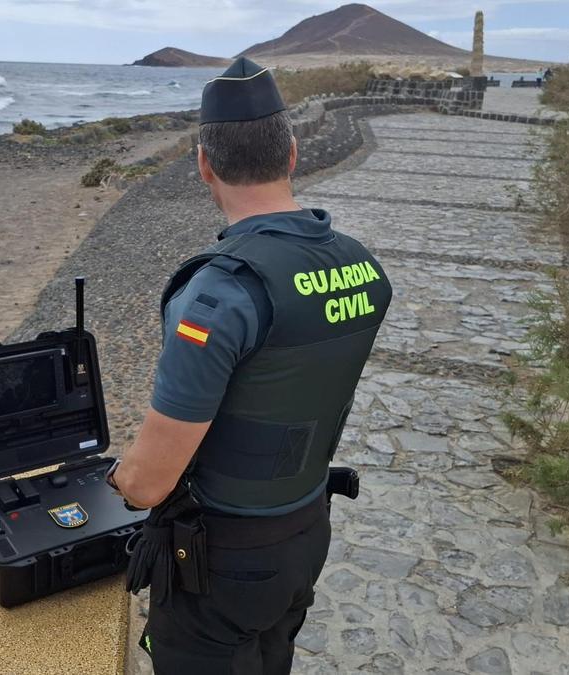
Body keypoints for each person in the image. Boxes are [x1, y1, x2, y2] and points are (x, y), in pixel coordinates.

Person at [105, 57, 393, 674]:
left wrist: (111, 485)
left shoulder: (217, 297)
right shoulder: (365, 268)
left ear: (204, 163)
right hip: (306, 530)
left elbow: (149, 483)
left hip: (222, 562)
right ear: (291, 153)